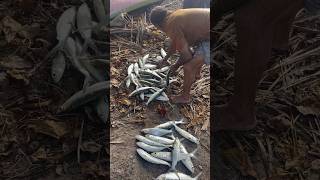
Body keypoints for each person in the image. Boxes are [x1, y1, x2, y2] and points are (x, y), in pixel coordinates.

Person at [149, 7, 210, 104]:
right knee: (196, 51)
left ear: (158, 25)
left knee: (188, 67)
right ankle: (197, 75)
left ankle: (185, 97)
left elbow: (187, 55)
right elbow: (175, 43)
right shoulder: (175, 16)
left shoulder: (170, 24)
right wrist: (165, 59)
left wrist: (175, 66)